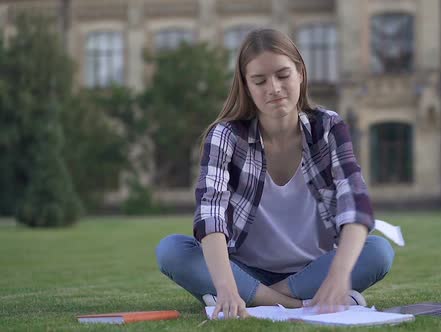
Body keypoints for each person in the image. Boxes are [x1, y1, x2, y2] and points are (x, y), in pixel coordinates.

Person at [155, 28, 394, 320]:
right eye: (260, 80)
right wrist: (228, 286)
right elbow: (210, 214)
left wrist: (339, 274)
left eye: (283, 75)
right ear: (246, 86)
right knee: (171, 250)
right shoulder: (225, 135)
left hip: (312, 270)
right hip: (242, 270)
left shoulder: (328, 127)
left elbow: (355, 205)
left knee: (378, 251)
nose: (274, 88)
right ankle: (297, 305)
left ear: (300, 73)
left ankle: (258, 299)